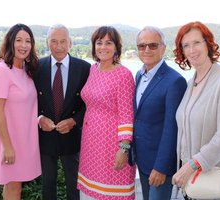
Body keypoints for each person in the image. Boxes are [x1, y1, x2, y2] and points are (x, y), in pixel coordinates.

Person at [171, 21, 220, 199]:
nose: (192, 50)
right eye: (186, 45)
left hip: (208, 180)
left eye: (196, 43)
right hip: (189, 181)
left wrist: (192, 165)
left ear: (208, 44)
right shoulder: (191, 82)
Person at [77, 26, 136, 199]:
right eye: (99, 42)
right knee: (90, 193)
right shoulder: (93, 69)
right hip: (90, 144)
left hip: (111, 146)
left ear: (116, 47)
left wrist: (124, 149)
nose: (103, 47)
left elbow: (127, 115)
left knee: (110, 193)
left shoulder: (123, 75)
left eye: (108, 43)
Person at [34, 24, 90, 200]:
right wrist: (39, 118)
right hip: (45, 136)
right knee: (47, 185)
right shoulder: (36, 67)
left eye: (63, 41)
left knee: (74, 185)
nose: (58, 46)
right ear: (47, 43)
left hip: (72, 136)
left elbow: (89, 103)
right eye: (54, 41)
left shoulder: (85, 68)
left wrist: (74, 120)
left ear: (70, 43)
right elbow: (29, 101)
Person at [0, 23, 41, 199]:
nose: (23, 45)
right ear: (10, 42)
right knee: (13, 187)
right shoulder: (1, 70)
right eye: (19, 40)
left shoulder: (26, 70)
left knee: (14, 187)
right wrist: (7, 146)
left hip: (24, 139)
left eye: (28, 41)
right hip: (9, 140)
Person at [133, 26, 187, 200]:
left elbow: (172, 128)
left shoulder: (175, 81)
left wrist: (161, 167)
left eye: (153, 45)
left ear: (163, 48)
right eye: (142, 46)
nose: (147, 50)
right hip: (142, 158)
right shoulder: (139, 75)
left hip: (159, 164)